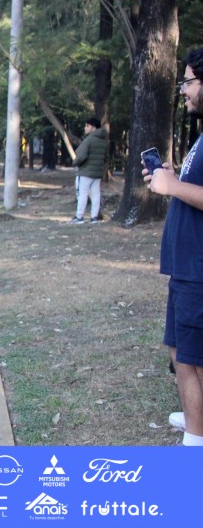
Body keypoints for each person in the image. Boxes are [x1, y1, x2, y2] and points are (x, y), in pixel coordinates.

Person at [143, 47, 203, 447]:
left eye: (188, 81)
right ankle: (195, 418)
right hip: (186, 267)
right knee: (179, 352)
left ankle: (196, 445)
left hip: (198, 270)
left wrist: (174, 186)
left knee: (193, 361)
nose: (182, 90)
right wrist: (171, 177)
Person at [70, 117, 108, 224]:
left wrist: (74, 163)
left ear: (93, 127)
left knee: (82, 194)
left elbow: (81, 156)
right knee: (96, 194)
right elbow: (105, 157)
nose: (85, 128)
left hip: (85, 172)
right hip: (97, 173)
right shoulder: (103, 141)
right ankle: (94, 217)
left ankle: (79, 217)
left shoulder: (88, 140)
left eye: (87, 126)